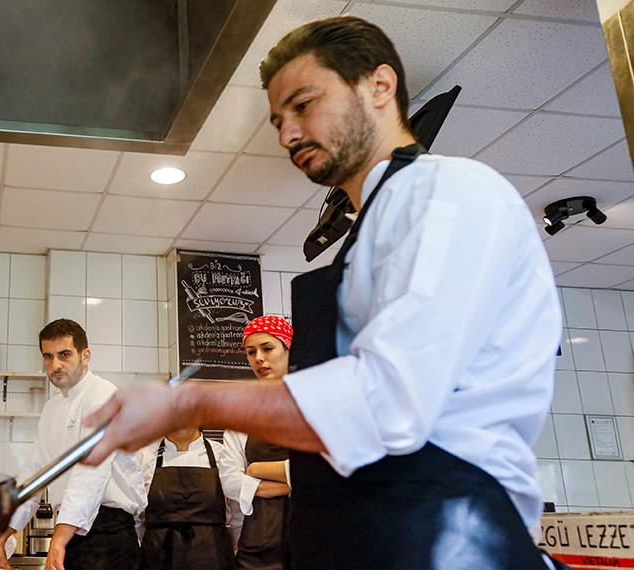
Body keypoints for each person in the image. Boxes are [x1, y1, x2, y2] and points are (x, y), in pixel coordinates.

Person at [83, 15, 561, 570]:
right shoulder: (364, 241)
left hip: (453, 541)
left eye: (304, 105)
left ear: (380, 86)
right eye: (278, 119)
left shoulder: (448, 193)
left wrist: (188, 399)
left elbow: (387, 401)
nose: (286, 134)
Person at [0, 319, 146, 570]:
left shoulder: (103, 396)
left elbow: (90, 472)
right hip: (72, 534)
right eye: (48, 356)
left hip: (109, 535)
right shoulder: (52, 409)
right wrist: (0, 538)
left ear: (85, 355)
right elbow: (33, 476)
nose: (55, 365)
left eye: (64, 355)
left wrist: (58, 540)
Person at [220, 316, 293, 570]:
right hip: (258, 544)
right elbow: (230, 480)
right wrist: (292, 481)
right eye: (251, 352)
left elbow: (328, 468)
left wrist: (254, 470)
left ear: (288, 349)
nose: (259, 358)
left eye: (267, 348)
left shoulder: (314, 406)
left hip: (312, 536)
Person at [138, 426, 235, 570]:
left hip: (214, 557)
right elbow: (136, 520)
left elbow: (237, 516)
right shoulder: (143, 458)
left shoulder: (223, 455)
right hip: (158, 558)